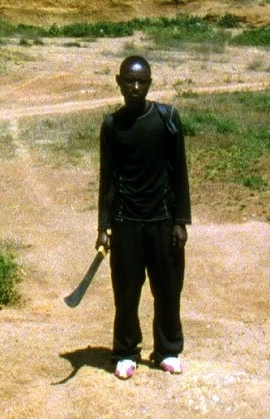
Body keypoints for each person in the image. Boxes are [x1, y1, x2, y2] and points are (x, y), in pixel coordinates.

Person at [96, 55, 191, 379]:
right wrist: (103, 227)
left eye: (141, 81)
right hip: (126, 222)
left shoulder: (167, 118)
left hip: (162, 220)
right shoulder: (112, 125)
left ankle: (168, 349)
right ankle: (125, 352)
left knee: (168, 290)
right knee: (126, 293)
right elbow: (107, 180)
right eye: (129, 81)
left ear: (149, 83)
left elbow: (179, 172)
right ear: (119, 82)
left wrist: (181, 222)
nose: (135, 87)